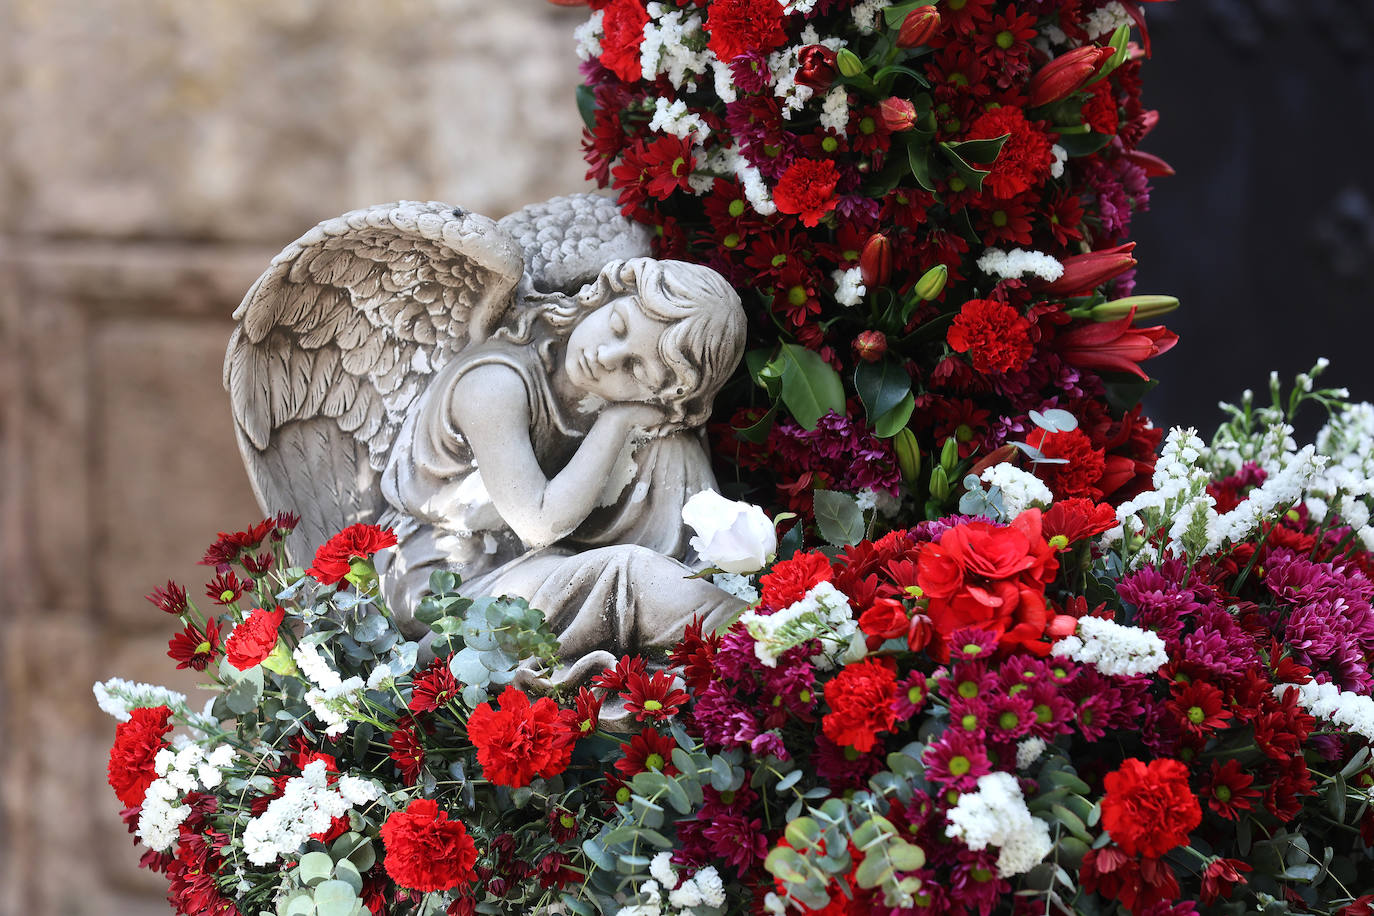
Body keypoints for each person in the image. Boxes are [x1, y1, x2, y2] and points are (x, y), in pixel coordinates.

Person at [377, 257, 749, 676]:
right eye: (618, 325)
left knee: (671, 444)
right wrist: (617, 421)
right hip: (446, 581)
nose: (606, 356)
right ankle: (759, 642)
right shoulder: (494, 384)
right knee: (623, 575)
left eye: (635, 368)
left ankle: (729, 607)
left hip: (536, 560)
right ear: (604, 296)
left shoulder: (624, 399)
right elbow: (538, 523)